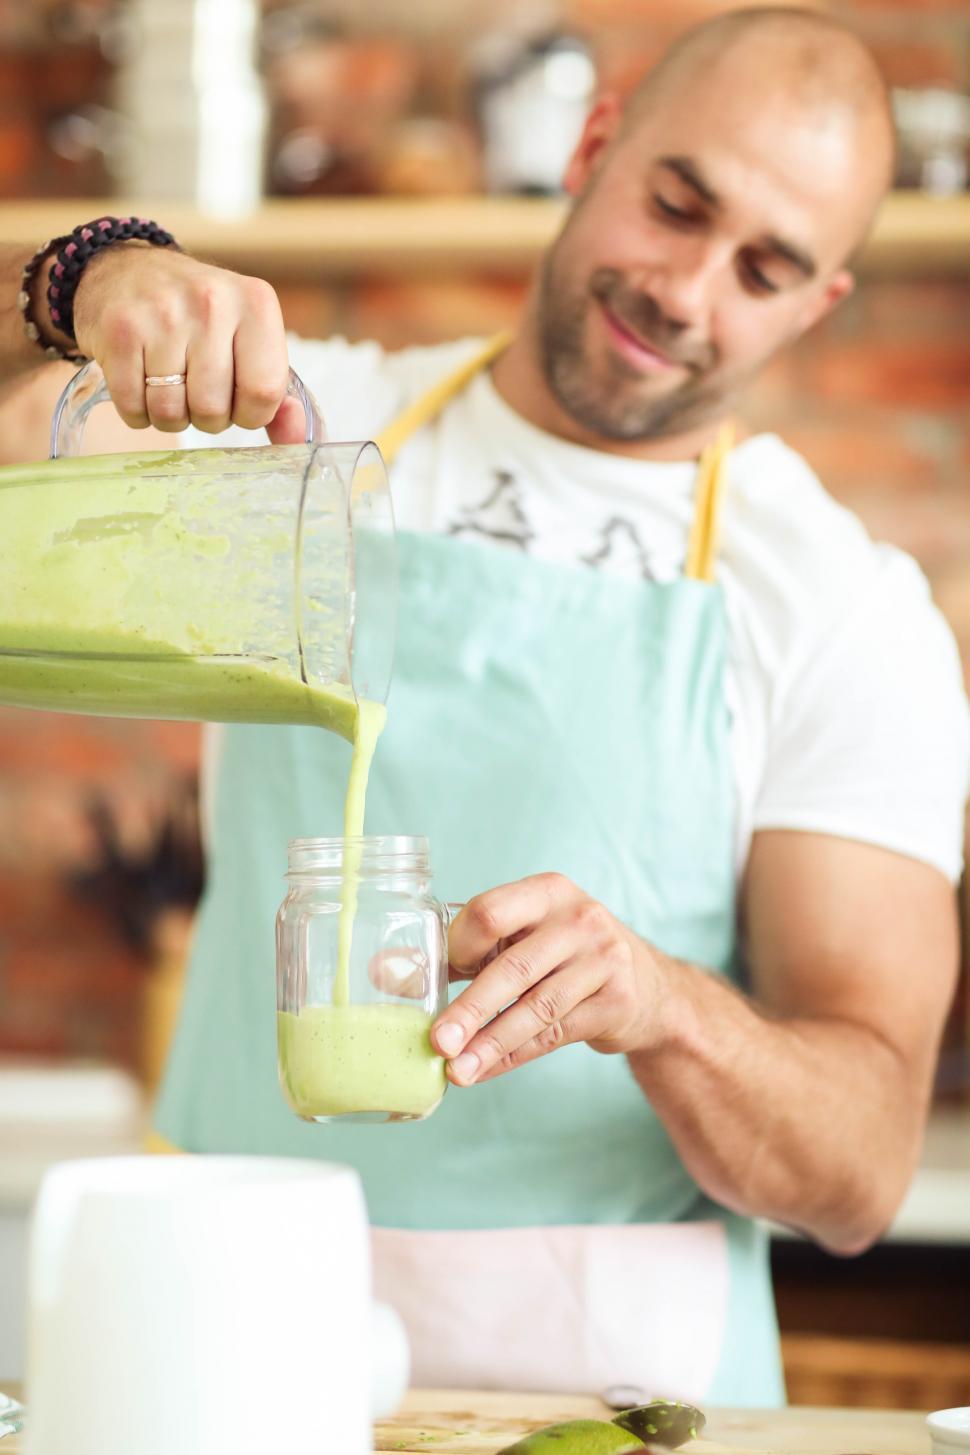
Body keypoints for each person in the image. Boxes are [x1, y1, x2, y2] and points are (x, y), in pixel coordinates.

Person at [0, 4, 966, 1407]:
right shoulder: (296, 435)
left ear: (819, 303)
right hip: (217, 1346)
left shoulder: (839, 614)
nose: (687, 292)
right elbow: (27, 462)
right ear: (592, 143)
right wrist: (99, 281)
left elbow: (861, 1168)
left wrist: (666, 1009)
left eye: (763, 267)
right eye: (675, 205)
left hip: (612, 1400)